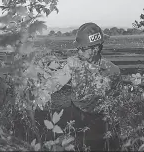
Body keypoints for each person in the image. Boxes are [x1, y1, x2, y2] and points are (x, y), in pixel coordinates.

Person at [46, 22, 121, 150]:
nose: (79, 52)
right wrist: (38, 90)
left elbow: (117, 105)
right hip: (76, 119)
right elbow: (53, 83)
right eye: (78, 48)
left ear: (96, 48)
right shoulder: (73, 64)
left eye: (83, 48)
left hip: (101, 124)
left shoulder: (113, 71)